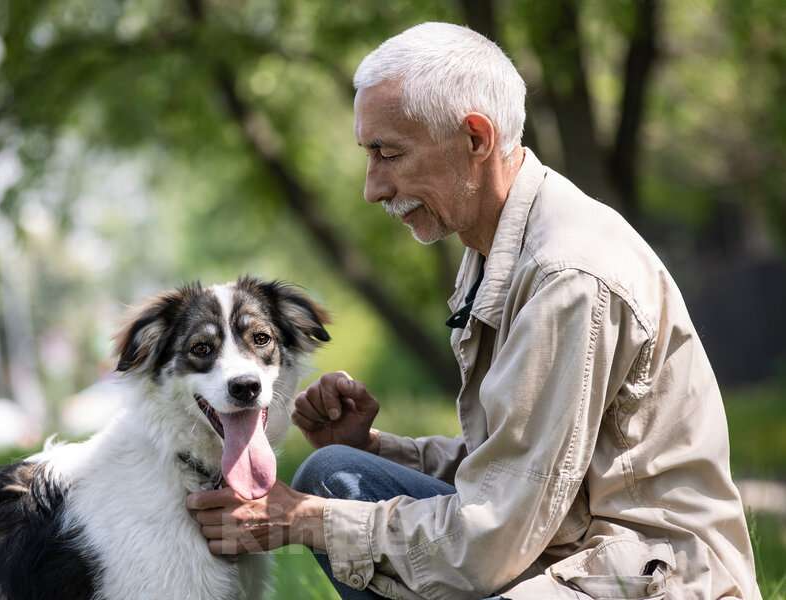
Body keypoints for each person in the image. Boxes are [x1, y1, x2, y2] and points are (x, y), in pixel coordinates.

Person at [187, 22, 761, 599]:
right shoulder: (495, 248)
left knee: (324, 506)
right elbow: (524, 463)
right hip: (568, 542)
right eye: (369, 155)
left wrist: (302, 520)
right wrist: (378, 448)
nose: (373, 187)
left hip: (651, 574)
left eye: (388, 153)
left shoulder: (568, 277)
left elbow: (495, 536)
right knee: (338, 473)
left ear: (476, 139)